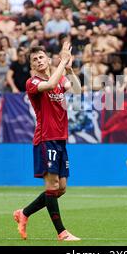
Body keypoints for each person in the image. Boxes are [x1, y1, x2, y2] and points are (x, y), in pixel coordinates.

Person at [13, 43, 82, 241]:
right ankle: (62, 232)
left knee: (61, 188)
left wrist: (68, 69)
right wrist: (62, 61)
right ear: (32, 66)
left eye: (41, 57)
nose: (39, 61)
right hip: (45, 139)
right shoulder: (32, 83)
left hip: (60, 139)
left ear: (48, 60)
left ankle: (23, 213)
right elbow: (50, 85)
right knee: (52, 186)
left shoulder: (60, 78)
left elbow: (77, 90)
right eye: (35, 59)